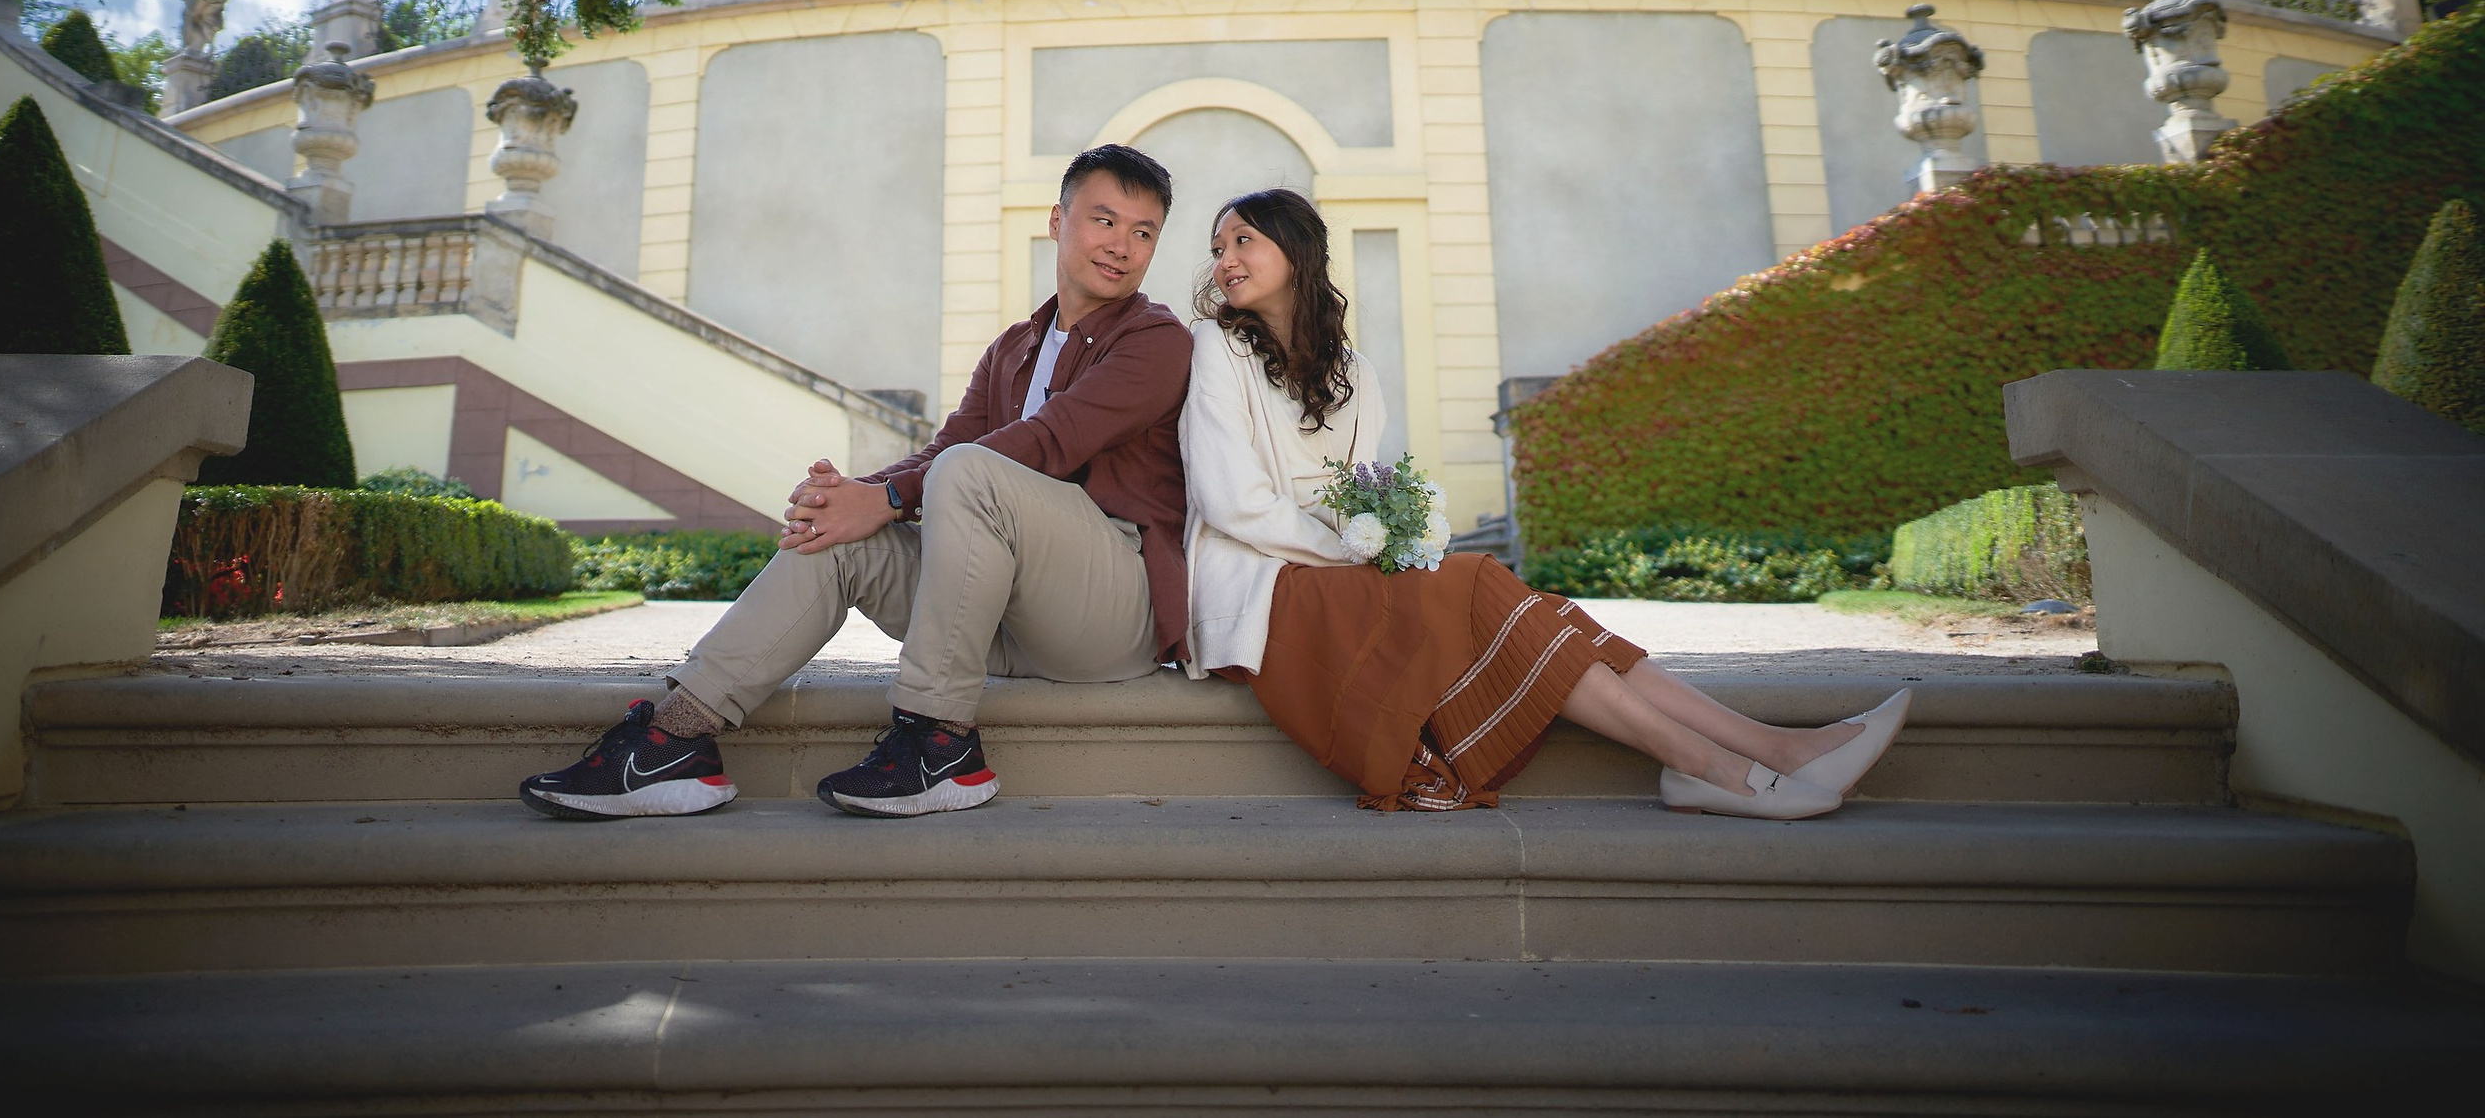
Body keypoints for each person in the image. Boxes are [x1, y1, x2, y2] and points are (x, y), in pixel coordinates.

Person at [1179, 187, 1909, 819]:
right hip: (1260, 584)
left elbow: (1362, 491)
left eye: (1243, 240)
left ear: (1298, 253)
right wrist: (1358, 548)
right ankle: (1715, 763)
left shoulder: (1356, 373)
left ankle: (1772, 748)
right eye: (1218, 247)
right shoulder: (1215, 346)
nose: (1225, 260)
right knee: (1476, 581)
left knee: (1536, 610)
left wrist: (1388, 536)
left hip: (1343, 573)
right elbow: (1230, 501)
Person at [519, 143, 1193, 820]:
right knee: (841, 541)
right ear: (1057, 220)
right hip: (1004, 613)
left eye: (1143, 233)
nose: (1123, 247)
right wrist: (853, 498)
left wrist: (889, 498)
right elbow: (950, 447)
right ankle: (674, 739)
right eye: (1104, 221)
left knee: (968, 473)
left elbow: (1047, 443)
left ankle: (939, 743)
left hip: (1107, 614)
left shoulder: (1157, 340)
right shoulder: (1015, 347)